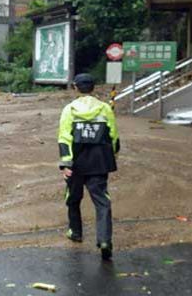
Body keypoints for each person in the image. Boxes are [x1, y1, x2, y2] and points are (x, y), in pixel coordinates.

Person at [58, 73, 120, 260]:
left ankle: (75, 232)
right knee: (102, 202)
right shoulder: (105, 108)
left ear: (76, 88)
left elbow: (64, 137)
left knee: (73, 198)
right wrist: (113, 155)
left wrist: (66, 163)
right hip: (99, 162)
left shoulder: (70, 109)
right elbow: (114, 136)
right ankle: (104, 240)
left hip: (76, 163)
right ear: (93, 88)